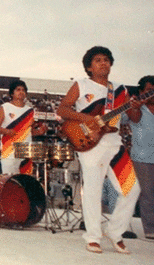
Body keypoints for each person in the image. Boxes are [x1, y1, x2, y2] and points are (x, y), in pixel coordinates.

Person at [56, 46, 140, 254]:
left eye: (106, 60)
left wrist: (136, 106)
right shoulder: (81, 85)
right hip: (89, 143)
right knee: (92, 191)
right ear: (89, 67)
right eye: (98, 60)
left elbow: (135, 118)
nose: (103, 63)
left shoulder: (120, 89)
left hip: (114, 142)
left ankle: (114, 232)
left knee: (132, 188)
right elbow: (63, 110)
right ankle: (93, 237)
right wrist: (90, 120)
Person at [0, 79, 46, 175]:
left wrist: (39, 132)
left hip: (25, 152)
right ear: (12, 93)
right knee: (9, 181)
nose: (21, 92)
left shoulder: (30, 111)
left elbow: (29, 131)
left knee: (24, 183)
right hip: (9, 151)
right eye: (18, 89)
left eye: (23, 90)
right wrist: (7, 131)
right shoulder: (5, 107)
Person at [124, 75, 154, 240]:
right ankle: (150, 229)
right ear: (142, 92)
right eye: (149, 90)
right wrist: (135, 106)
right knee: (148, 194)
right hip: (143, 157)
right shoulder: (136, 109)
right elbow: (127, 119)